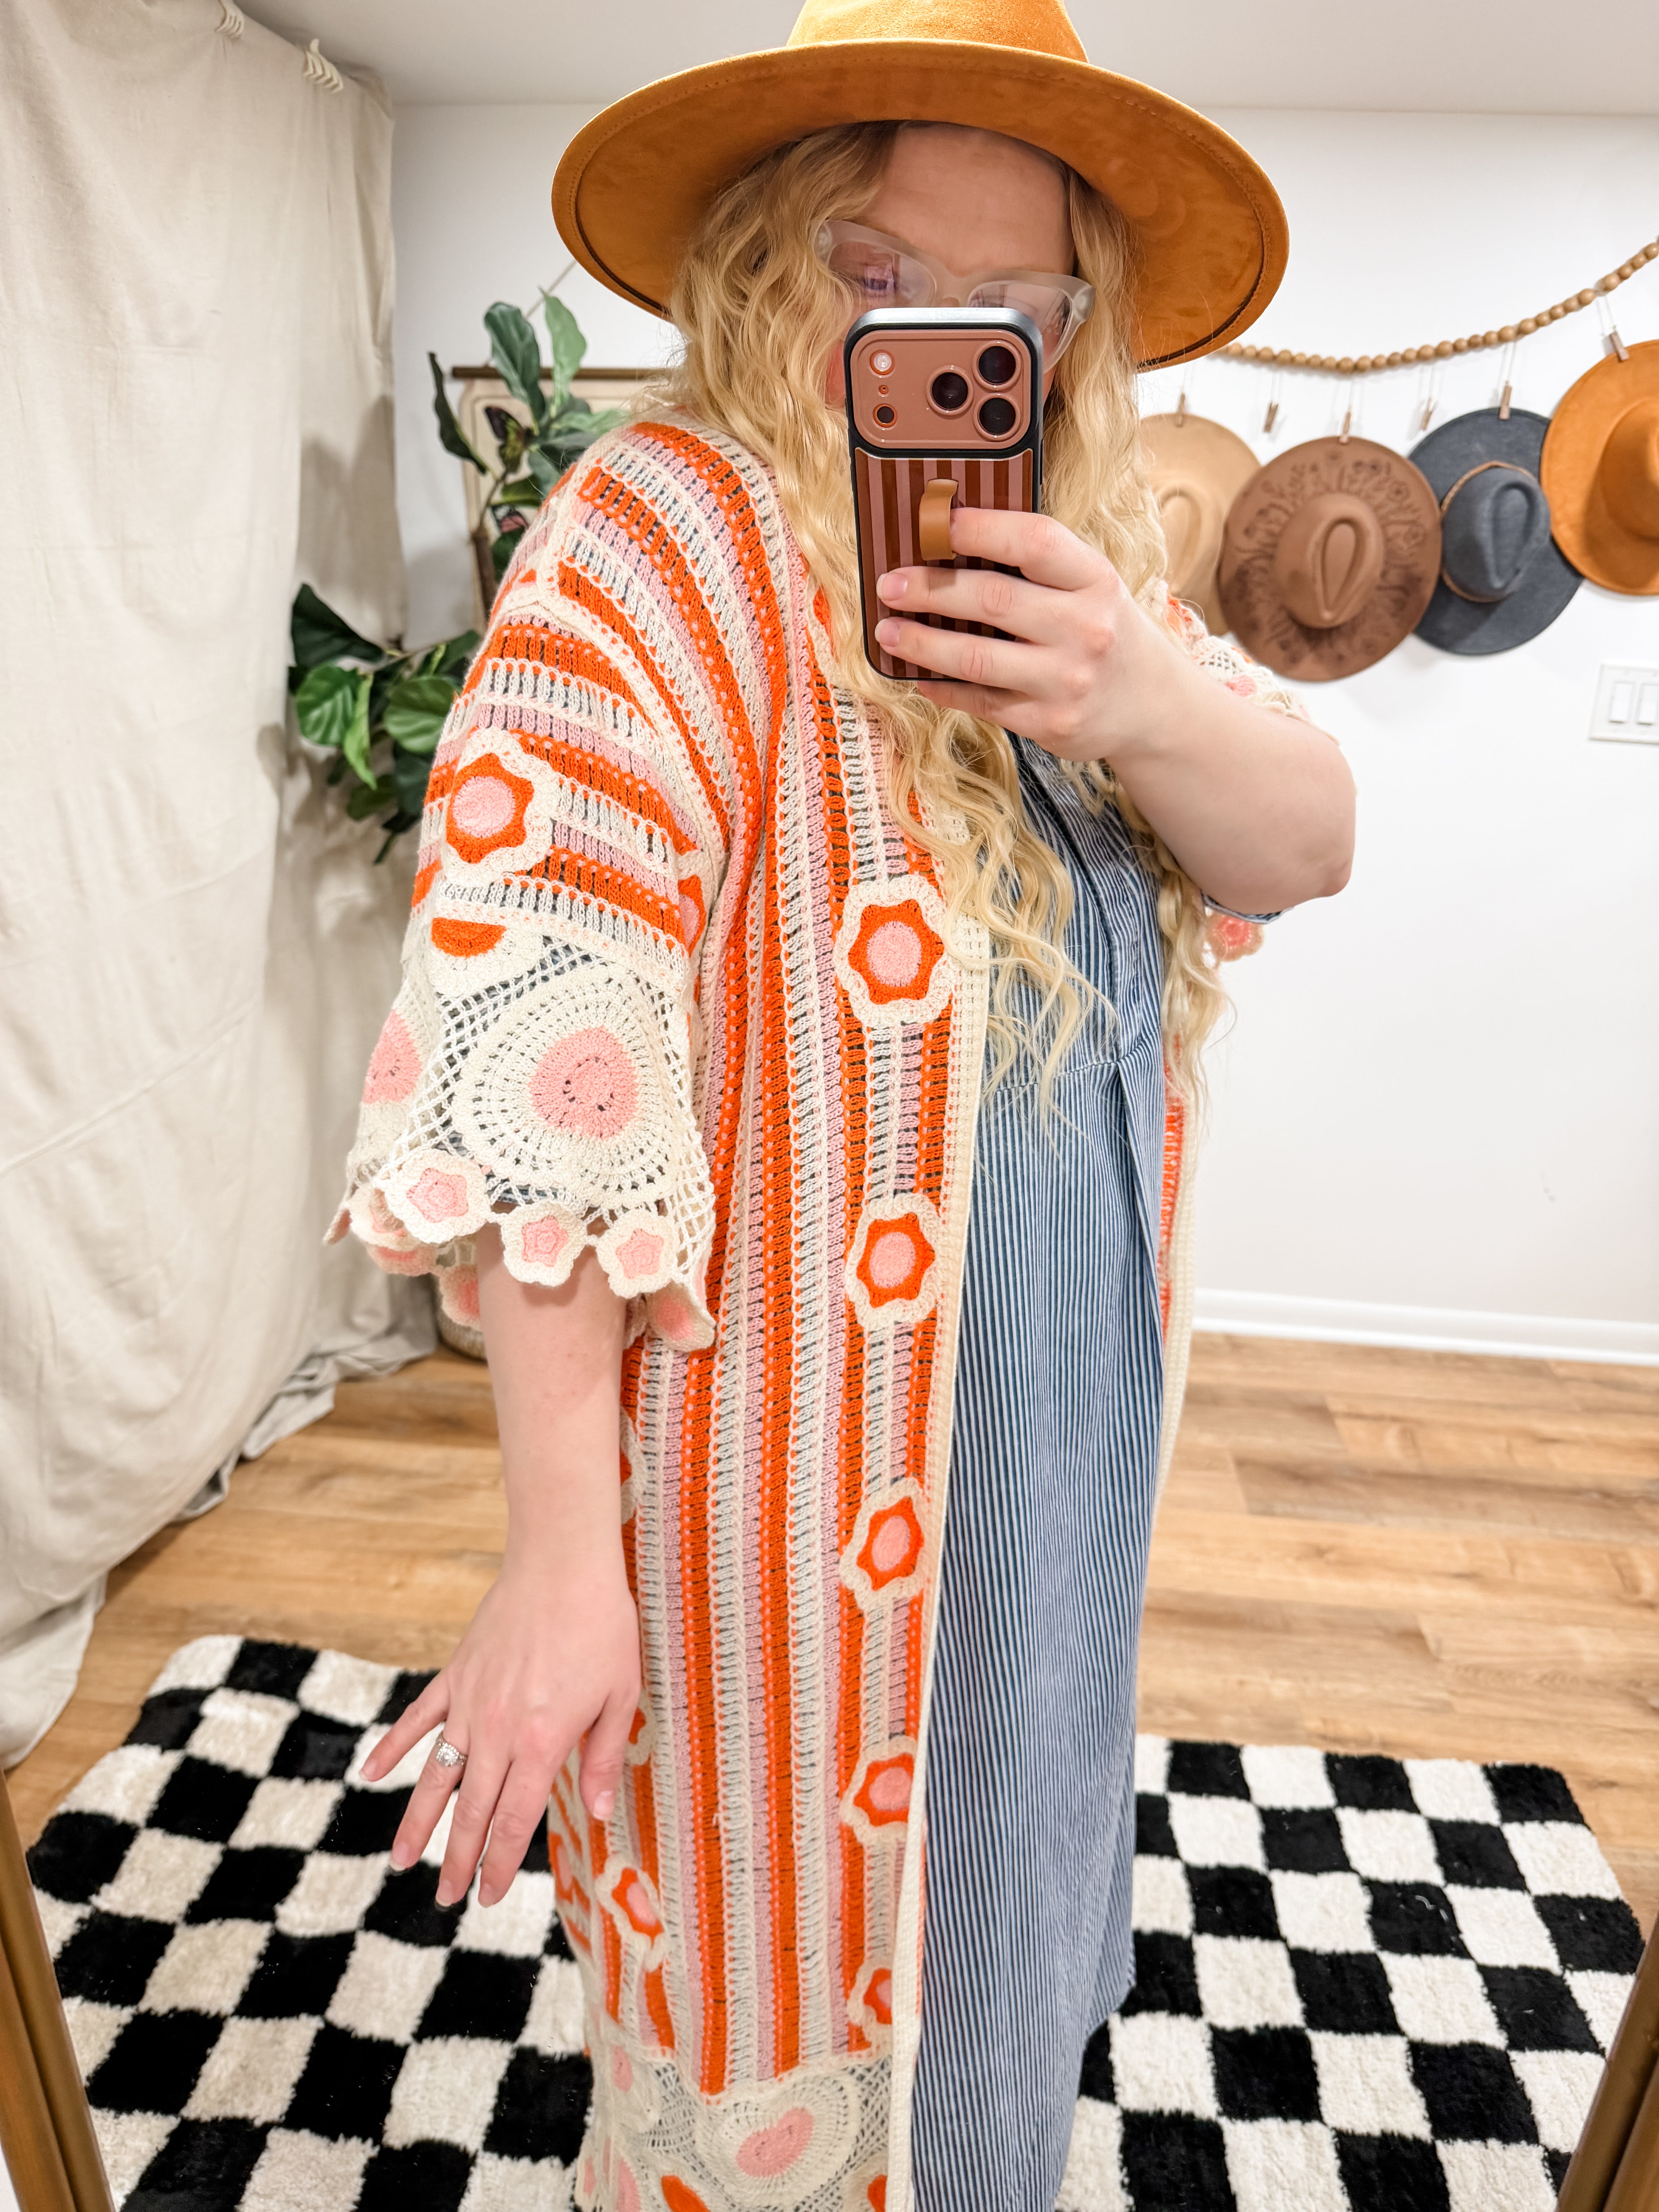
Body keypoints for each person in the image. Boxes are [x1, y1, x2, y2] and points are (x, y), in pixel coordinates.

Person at [341, 5, 1354, 2206]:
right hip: (780, 1500)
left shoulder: (1093, 567)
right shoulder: (661, 538)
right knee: (773, 1982)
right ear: (769, 258)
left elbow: (1308, 838)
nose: (935, 342)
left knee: (997, 1927)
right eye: (879, 276)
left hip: (1059, 1454)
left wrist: (1139, 690)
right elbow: (544, 1029)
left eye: (1011, 305)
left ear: (1068, 334)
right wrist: (557, 1548)